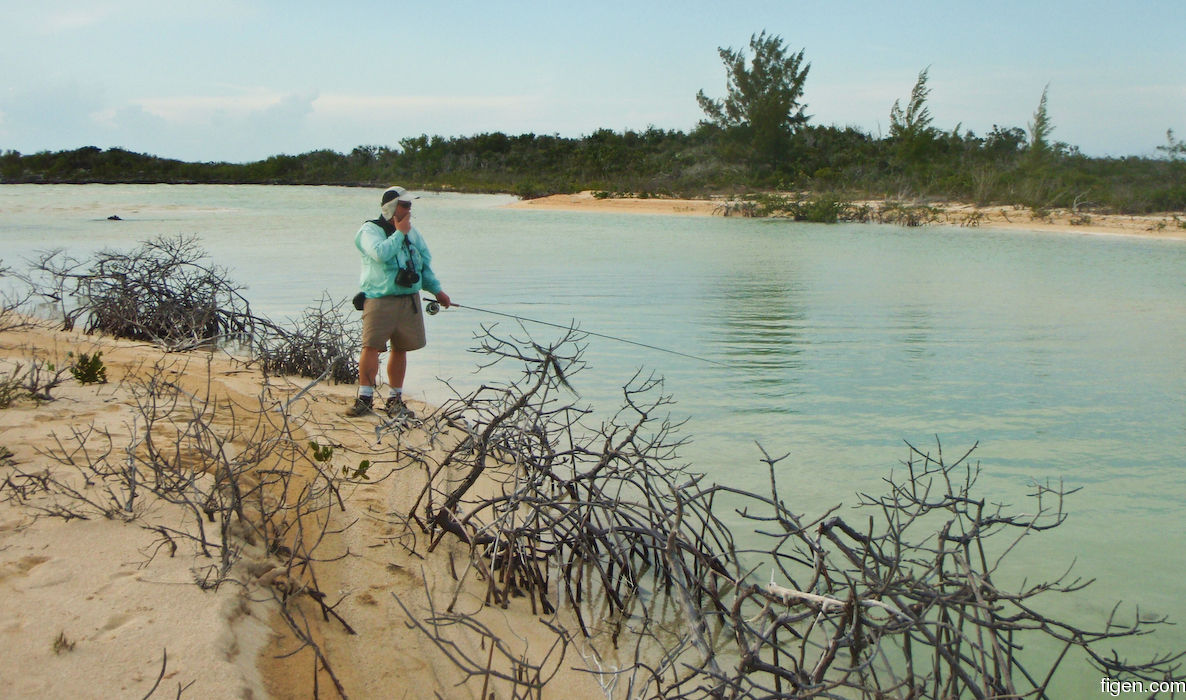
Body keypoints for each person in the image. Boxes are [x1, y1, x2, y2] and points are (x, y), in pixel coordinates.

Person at [346, 186, 452, 418]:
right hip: (379, 298)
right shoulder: (369, 230)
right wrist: (399, 233)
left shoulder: (414, 233)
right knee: (371, 346)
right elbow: (379, 254)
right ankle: (365, 397)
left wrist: (438, 292)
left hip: (409, 300)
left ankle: (395, 398)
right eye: (404, 205)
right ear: (391, 208)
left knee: (401, 348)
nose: (409, 209)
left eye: (410, 205)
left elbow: (424, 265)